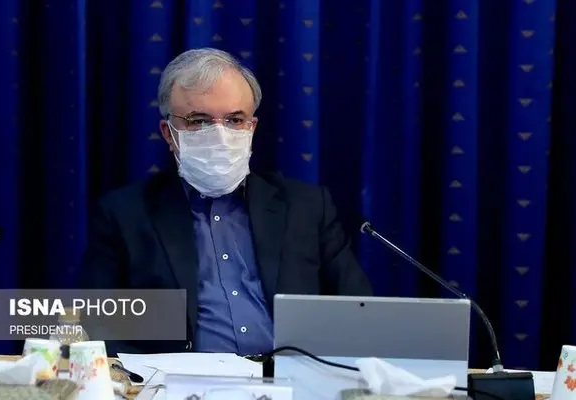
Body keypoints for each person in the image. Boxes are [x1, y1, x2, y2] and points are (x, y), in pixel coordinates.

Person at [79, 48, 373, 356]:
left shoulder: (307, 207)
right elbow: (94, 326)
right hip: (182, 378)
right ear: (168, 133)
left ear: (252, 128)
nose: (220, 136)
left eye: (234, 120)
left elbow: (359, 313)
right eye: (199, 121)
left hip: (292, 375)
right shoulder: (125, 214)